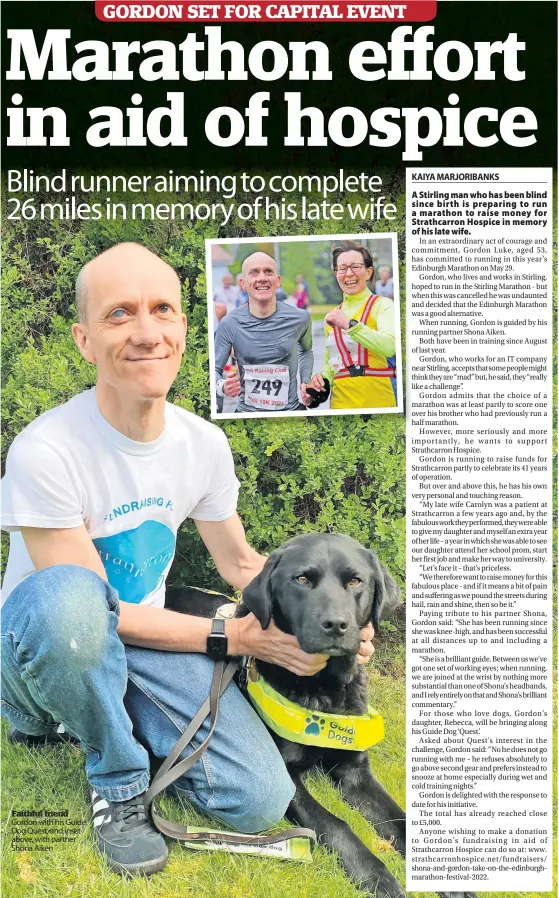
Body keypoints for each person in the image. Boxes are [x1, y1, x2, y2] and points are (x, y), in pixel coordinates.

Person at [0, 242, 377, 876]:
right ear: (84, 339)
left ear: (182, 327)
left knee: (260, 797)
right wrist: (236, 636)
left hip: (139, 642)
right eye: (120, 314)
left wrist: (320, 615)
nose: (146, 332)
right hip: (47, 637)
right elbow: (100, 612)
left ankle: (105, 713)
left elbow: (238, 564)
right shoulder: (46, 450)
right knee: (71, 608)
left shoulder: (202, 443)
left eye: (162, 310)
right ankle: (110, 777)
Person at [214, 252, 314, 413]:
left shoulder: (300, 318)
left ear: (278, 281)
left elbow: (306, 350)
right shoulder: (229, 323)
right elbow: (214, 368)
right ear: (243, 283)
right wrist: (222, 386)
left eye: (268, 271)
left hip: (291, 413)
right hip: (247, 415)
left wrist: (305, 380)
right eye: (254, 272)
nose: (262, 277)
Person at [309, 242, 397, 410]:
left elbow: (389, 346)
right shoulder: (333, 316)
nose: (349, 273)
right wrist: (320, 383)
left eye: (355, 267)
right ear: (336, 274)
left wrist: (350, 325)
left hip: (378, 407)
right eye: (342, 268)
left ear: (369, 272)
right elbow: (331, 364)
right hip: (340, 410)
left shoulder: (383, 305)